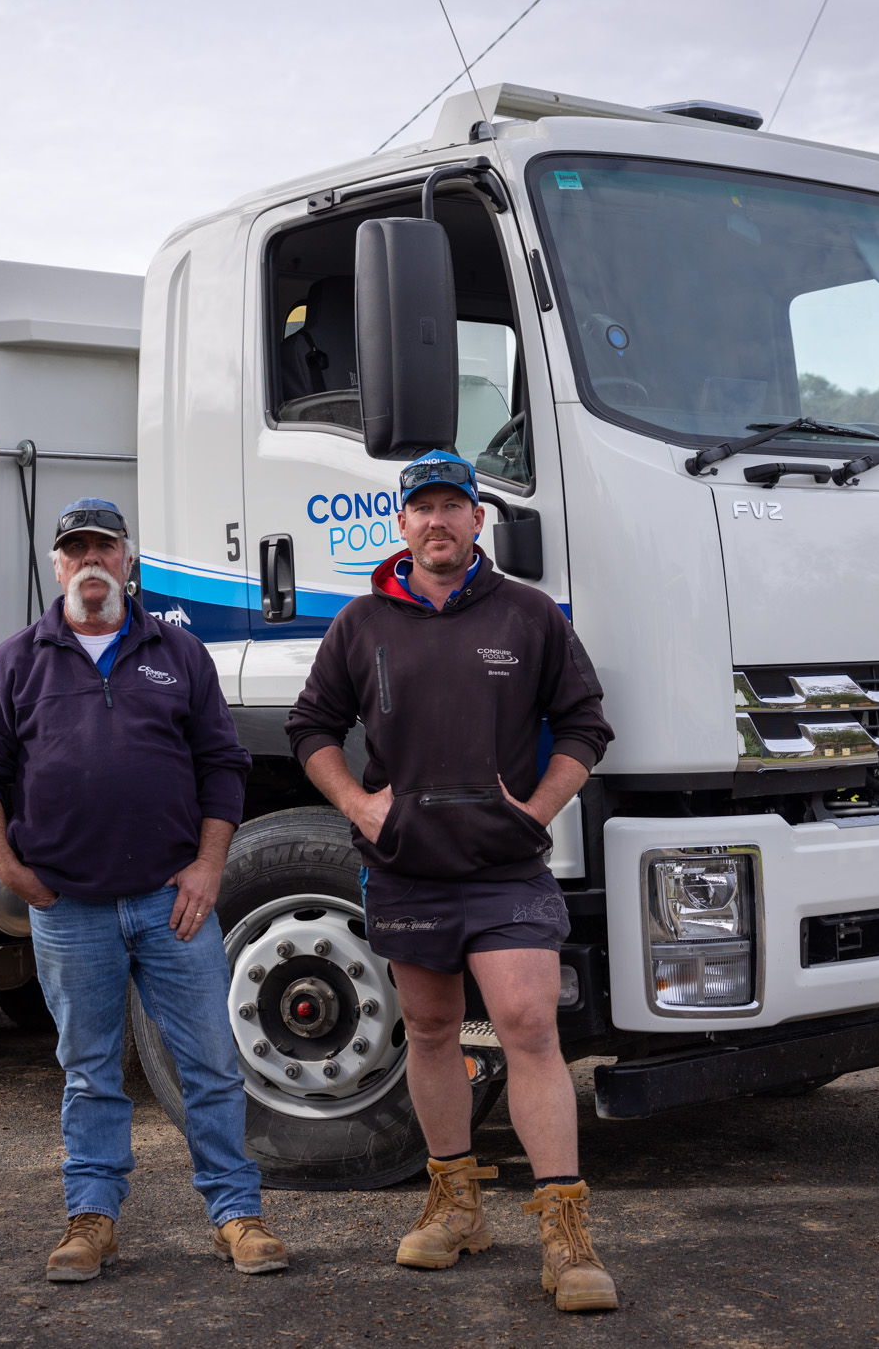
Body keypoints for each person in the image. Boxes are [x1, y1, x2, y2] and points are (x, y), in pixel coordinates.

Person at [285, 450, 619, 1313]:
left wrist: (538, 808)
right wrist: (360, 807)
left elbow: (585, 724)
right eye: (422, 508)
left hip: (504, 866)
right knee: (431, 1031)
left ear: (479, 521)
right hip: (407, 868)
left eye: (453, 507)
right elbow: (311, 726)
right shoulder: (361, 623)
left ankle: (564, 1231)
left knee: (527, 1026)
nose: (438, 521)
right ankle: (456, 1203)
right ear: (402, 525)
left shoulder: (530, 615)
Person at [0, 497, 287, 1283]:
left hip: (170, 905)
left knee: (209, 1062)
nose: (90, 562)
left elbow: (223, 766)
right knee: (90, 1070)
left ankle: (237, 1216)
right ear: (56, 566)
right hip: (69, 910)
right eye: (76, 550)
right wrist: (9, 869)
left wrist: (209, 866)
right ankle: (91, 1220)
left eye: (105, 547)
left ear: (128, 561)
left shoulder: (181, 653)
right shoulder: (13, 663)